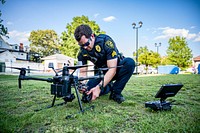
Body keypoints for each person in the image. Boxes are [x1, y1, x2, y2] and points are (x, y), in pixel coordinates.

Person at [74, 24, 135, 104]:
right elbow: (82, 72)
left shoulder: (106, 41)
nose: (84, 47)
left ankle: (115, 92)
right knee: (88, 91)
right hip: (101, 73)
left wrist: (99, 87)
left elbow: (112, 69)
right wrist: (82, 85)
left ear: (92, 36)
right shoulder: (82, 52)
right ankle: (108, 86)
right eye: (81, 45)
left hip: (116, 69)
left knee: (129, 62)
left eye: (86, 44)